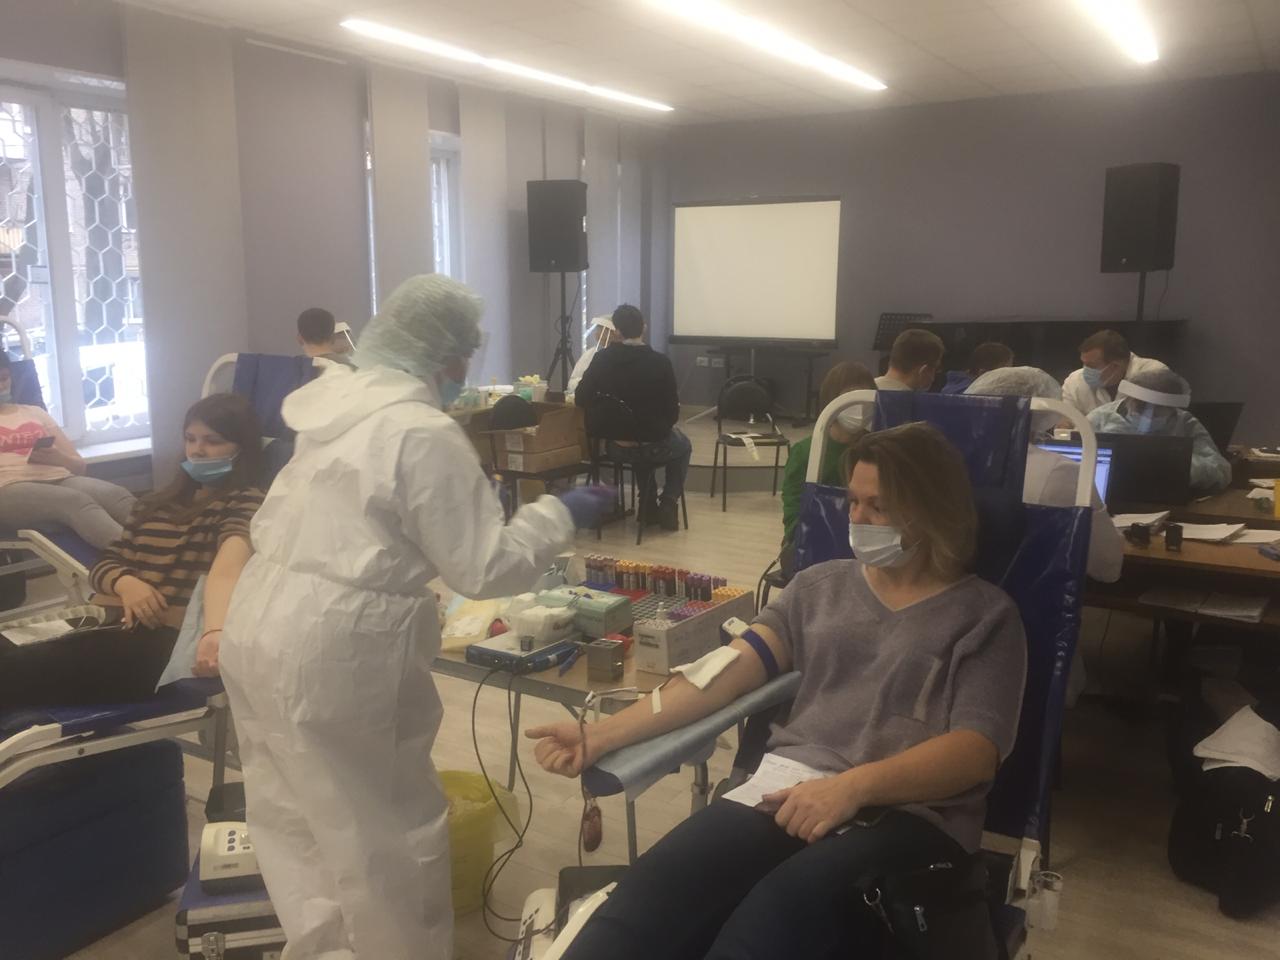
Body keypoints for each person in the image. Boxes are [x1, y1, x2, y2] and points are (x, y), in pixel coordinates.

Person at [219, 274, 612, 960]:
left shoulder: (333, 411)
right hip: (334, 645)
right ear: (444, 353)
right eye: (464, 353)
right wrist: (557, 513)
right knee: (383, 827)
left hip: (257, 619)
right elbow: (484, 568)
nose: (465, 369)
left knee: (294, 819)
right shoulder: (421, 430)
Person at [528, 423, 1027, 960]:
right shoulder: (819, 588)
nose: (857, 519)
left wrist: (852, 788)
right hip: (790, 789)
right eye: (853, 502)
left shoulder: (983, 617)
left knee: (770, 920)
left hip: (911, 816)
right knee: (649, 896)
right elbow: (718, 677)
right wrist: (600, 735)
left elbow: (975, 752)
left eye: (878, 507)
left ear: (930, 511)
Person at [0, 393, 264, 708]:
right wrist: (127, 584)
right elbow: (105, 564)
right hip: (112, 622)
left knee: (14, 672)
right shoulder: (158, 504)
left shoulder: (246, 502)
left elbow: (228, 570)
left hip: (164, 642)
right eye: (190, 439)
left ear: (242, 448)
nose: (197, 450)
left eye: (213, 441)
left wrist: (214, 632)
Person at [965, 366, 1123, 582]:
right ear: (1045, 410)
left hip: (955, 593)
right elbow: (1107, 566)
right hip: (1026, 597)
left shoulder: (946, 458)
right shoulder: (1060, 471)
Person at [0, 353, 136, 548]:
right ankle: (139, 557)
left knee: (116, 495)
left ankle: (169, 546)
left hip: (59, 478)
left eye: (4, 378)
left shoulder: (35, 412)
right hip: (7, 488)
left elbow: (79, 467)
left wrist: (59, 458)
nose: (1, 386)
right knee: (75, 501)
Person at [576, 303, 690, 531]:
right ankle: (668, 501)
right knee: (682, 446)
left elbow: (581, 397)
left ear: (617, 331)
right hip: (652, 444)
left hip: (614, 447)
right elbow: (672, 413)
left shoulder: (601, 360)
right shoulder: (660, 362)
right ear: (644, 328)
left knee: (638, 439)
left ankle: (647, 504)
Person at [779, 361, 875, 573]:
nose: (859, 408)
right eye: (850, 397)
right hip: (812, 540)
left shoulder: (876, 447)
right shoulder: (805, 451)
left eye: (863, 397)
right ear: (832, 401)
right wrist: (801, 535)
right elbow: (793, 502)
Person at [1087, 367, 1232, 493]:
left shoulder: (1185, 423)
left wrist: (1179, 466)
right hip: (1109, 498)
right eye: (1141, 407)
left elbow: (1221, 471)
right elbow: (1076, 463)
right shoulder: (1099, 419)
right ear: (1129, 399)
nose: (1148, 417)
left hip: (1166, 502)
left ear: (1172, 409)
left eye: (1157, 412)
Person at [1062, 329, 1169, 416]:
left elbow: (1163, 421)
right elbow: (1068, 423)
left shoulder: (1156, 374)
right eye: (1084, 364)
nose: (1085, 370)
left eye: (1091, 366)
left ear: (1116, 366)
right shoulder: (1074, 382)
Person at [877, 328, 944, 392]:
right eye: (936, 370)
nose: (933, 379)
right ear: (924, 370)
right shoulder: (910, 400)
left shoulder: (871, 387)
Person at [567, 314, 617, 394]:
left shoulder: (620, 355)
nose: (597, 334)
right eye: (598, 330)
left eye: (603, 330)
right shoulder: (590, 354)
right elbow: (572, 381)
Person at [941, 341, 1014, 395]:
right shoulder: (972, 394)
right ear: (983, 373)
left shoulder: (953, 386)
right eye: (1004, 371)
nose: (1010, 375)